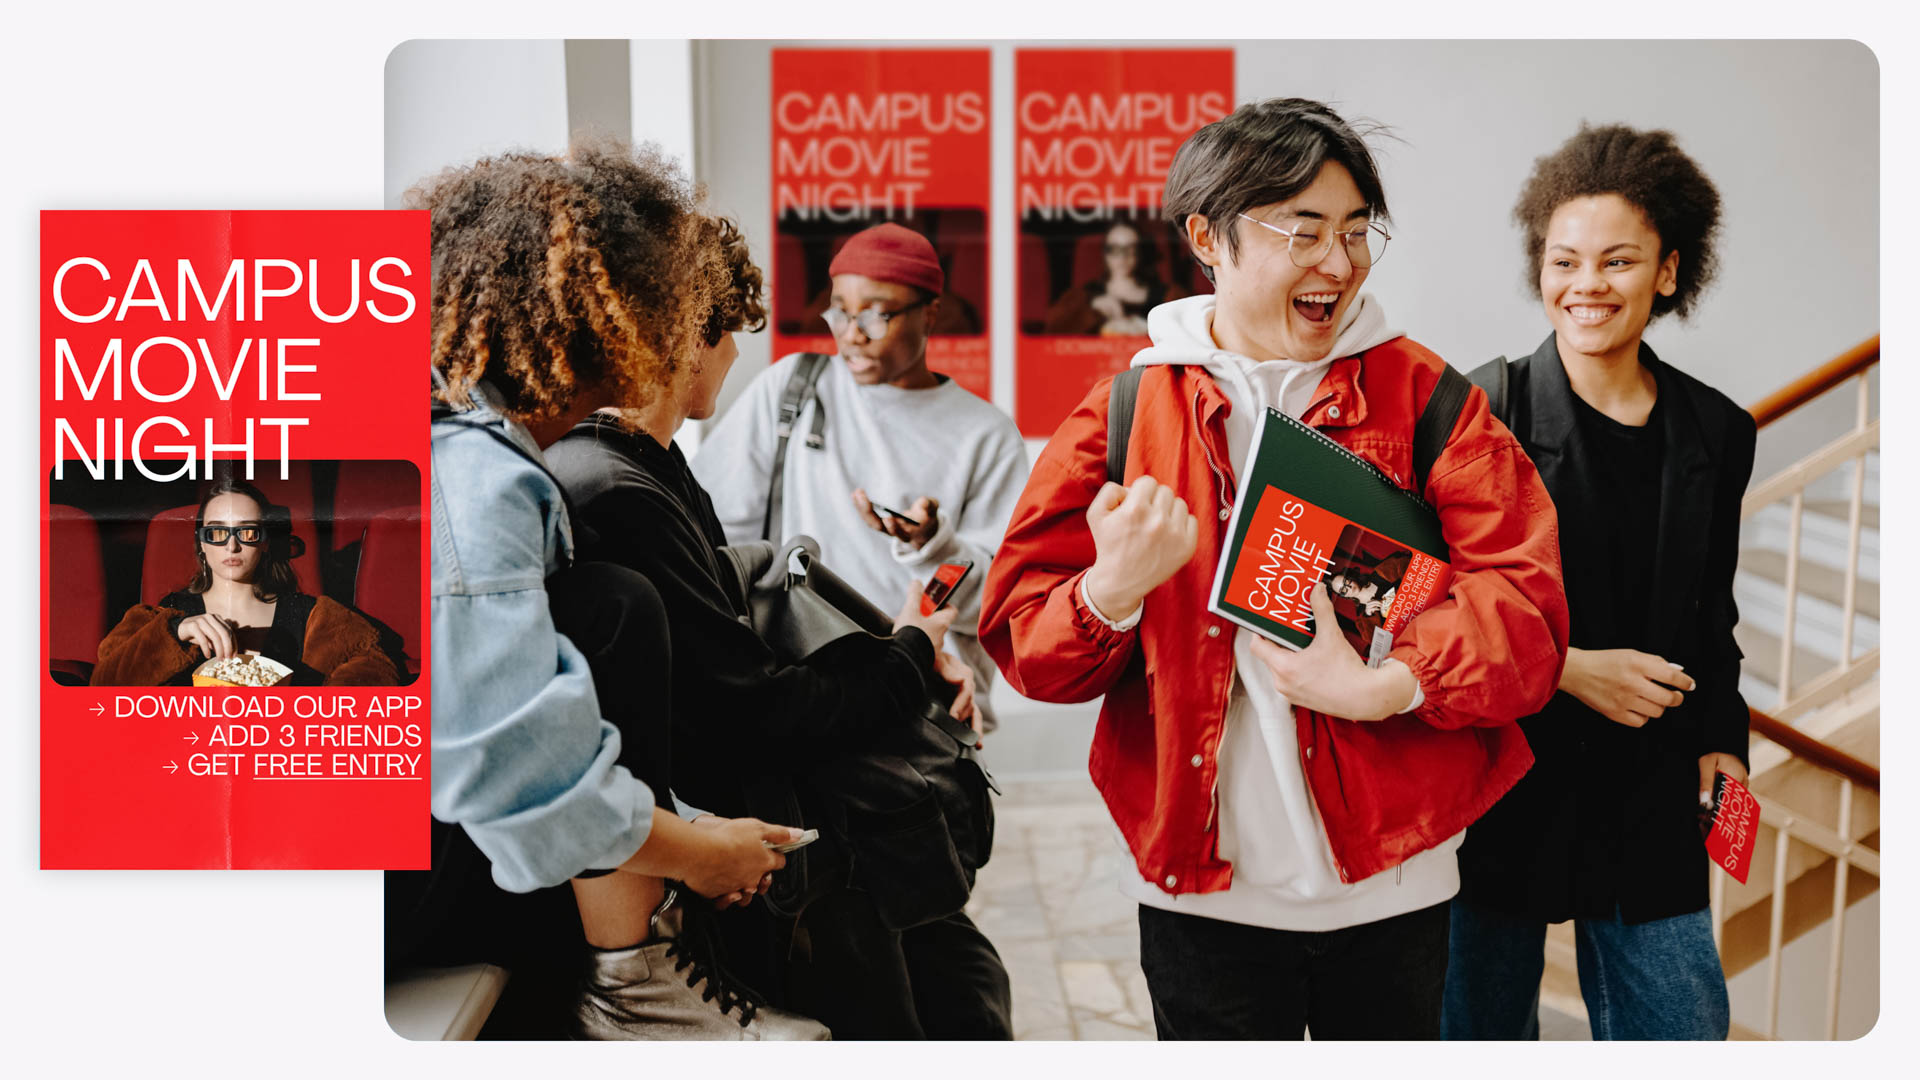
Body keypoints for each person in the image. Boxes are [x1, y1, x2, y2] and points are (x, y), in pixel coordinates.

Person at [978, 97, 1571, 1040]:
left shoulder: (1428, 401)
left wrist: (1390, 684)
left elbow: (1528, 612)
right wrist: (1110, 591)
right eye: (1303, 232)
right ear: (1208, 238)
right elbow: (1027, 644)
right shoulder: (1126, 413)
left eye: (1355, 231)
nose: (1338, 263)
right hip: (1197, 888)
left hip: (1397, 880)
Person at [546, 214, 1015, 1041]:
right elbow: (745, 709)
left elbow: (733, 589)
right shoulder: (617, 485)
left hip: (832, 770)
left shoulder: (646, 466)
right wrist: (905, 654)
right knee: (924, 1002)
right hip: (785, 835)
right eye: (727, 330)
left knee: (962, 981)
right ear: (686, 332)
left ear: (928, 315)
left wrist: (910, 640)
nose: (736, 353)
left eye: (881, 309)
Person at [401, 141, 826, 1041]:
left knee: (601, 605)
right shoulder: (471, 479)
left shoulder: (467, 442)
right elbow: (499, 764)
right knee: (615, 607)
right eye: (670, 304)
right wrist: (696, 855)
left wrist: (684, 826)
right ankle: (631, 986)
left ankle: (640, 965)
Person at [1443, 124, 1754, 1042]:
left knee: (1684, 1033)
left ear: (1667, 272)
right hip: (1500, 781)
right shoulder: (1482, 409)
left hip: (1651, 787)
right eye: (1563, 259)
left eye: (1617, 260)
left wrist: (1723, 743)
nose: (1586, 286)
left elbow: (1713, 622)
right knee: (1475, 1043)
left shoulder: (1718, 431)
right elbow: (1428, 604)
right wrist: (1566, 667)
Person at [691, 221, 1029, 736]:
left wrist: (932, 545)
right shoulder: (793, 388)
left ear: (930, 314)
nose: (852, 333)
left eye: (876, 314)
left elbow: (1001, 600)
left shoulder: (985, 435)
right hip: (801, 686)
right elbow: (716, 528)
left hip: (926, 707)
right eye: (841, 312)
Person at [92, 478, 400, 686]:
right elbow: (103, 684)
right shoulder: (162, 616)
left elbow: (375, 670)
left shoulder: (315, 616)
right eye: (217, 532)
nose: (232, 546)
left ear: (265, 542)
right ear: (201, 544)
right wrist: (174, 633)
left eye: (248, 532)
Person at [1045, 220, 1178, 336]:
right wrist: (1091, 312)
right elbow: (1050, 333)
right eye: (1114, 249)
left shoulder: (1167, 296)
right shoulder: (1083, 295)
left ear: (1139, 253)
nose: (1122, 257)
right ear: (1105, 254)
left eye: (1130, 249)